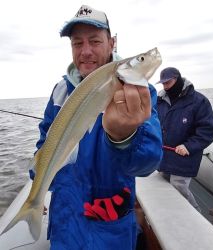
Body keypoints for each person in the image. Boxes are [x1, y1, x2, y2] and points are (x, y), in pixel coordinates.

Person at [29, 5, 162, 250]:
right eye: (77, 43)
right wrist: (40, 187)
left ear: (112, 43)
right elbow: (43, 146)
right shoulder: (59, 93)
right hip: (64, 227)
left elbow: (148, 163)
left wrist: (125, 137)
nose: (86, 51)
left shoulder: (137, 91)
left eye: (94, 41)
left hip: (109, 233)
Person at [156, 67, 213, 212]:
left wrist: (188, 147)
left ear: (178, 79)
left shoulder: (199, 101)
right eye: (163, 84)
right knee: (164, 184)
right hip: (164, 155)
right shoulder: (159, 101)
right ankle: (173, 211)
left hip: (185, 156)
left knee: (179, 185)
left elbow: (208, 131)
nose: (165, 87)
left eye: (168, 83)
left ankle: (195, 213)